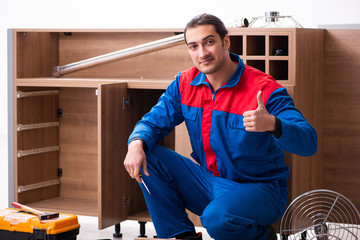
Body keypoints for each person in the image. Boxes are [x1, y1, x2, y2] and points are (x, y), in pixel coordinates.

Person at [124, 13, 317, 240]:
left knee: (217, 219)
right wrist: (136, 142)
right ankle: (179, 236)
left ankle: (263, 236)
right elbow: (151, 122)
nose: (202, 53)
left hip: (261, 191)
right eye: (193, 46)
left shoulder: (263, 88)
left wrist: (274, 124)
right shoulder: (184, 84)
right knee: (148, 154)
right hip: (210, 183)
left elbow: (309, 142)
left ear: (225, 42)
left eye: (209, 42)